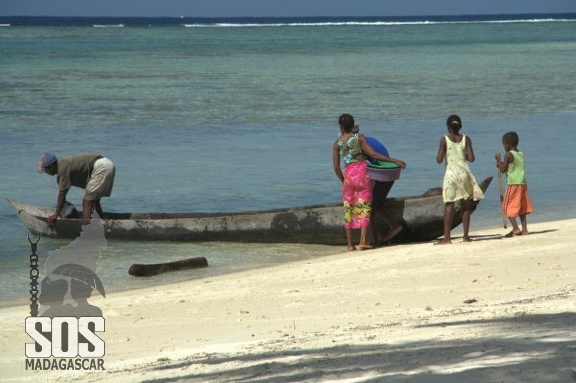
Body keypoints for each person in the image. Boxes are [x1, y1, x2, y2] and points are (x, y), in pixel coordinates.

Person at [333, 114, 406, 251]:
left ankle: (350, 245)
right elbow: (374, 155)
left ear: (341, 126)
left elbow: (337, 168)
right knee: (365, 207)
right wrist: (395, 160)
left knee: (349, 208)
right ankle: (364, 241)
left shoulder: (337, 143)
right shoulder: (361, 138)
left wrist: (344, 181)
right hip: (364, 174)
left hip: (349, 175)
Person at [435, 115, 484, 244]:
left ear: (447, 127)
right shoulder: (466, 139)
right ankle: (466, 236)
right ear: (460, 126)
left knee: (449, 205)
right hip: (464, 173)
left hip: (451, 174)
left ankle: (447, 238)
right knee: (465, 206)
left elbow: (439, 160)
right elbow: (472, 158)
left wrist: (445, 152)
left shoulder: (444, 140)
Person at [38, 152, 115, 226]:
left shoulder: (62, 170)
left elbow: (62, 195)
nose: (46, 172)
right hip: (107, 164)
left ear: (51, 166)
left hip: (102, 167)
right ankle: (99, 222)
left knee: (87, 201)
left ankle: (86, 229)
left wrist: (56, 215)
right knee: (94, 199)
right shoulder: (62, 164)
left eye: (45, 169)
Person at [495, 131, 533, 237]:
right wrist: (501, 163)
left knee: (506, 206)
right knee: (522, 207)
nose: (503, 147)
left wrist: (498, 160)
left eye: (503, 145)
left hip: (513, 184)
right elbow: (510, 167)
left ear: (507, 144)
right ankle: (524, 229)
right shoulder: (520, 153)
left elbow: (503, 170)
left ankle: (516, 228)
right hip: (522, 184)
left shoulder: (508, 154)